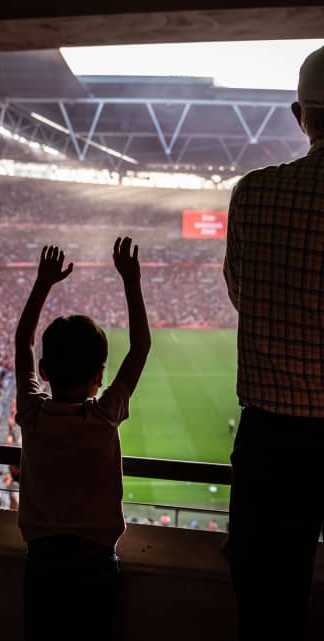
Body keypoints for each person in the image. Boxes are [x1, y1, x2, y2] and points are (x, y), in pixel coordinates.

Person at [224, 45, 324, 641]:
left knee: (265, 611)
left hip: (272, 442)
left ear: (299, 114)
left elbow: (242, 293)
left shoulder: (252, 192)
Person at [15, 239, 150, 641]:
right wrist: (131, 281)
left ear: (45, 369)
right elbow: (140, 347)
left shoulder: (32, 414)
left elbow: (22, 342)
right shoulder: (104, 416)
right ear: (99, 377)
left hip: (41, 561)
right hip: (95, 564)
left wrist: (43, 284)